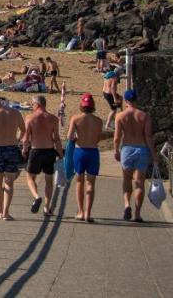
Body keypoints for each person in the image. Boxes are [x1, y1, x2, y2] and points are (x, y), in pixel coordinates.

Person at [114, 89, 155, 222]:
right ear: (136, 100)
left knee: (126, 179)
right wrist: (153, 154)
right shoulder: (144, 116)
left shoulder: (120, 116)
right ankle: (137, 213)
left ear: (126, 101)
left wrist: (116, 150)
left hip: (127, 149)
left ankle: (127, 204)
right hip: (142, 149)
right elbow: (148, 137)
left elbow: (117, 137)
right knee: (139, 182)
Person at [22, 95, 63, 216]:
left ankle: (36, 196)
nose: (32, 106)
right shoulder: (54, 119)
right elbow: (57, 139)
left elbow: (26, 139)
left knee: (30, 177)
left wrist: (24, 151)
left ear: (37, 104)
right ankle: (47, 207)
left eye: (32, 104)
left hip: (36, 151)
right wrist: (60, 154)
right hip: (49, 151)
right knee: (49, 180)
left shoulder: (30, 118)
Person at [66, 93, 104, 222]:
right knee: (91, 183)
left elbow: (69, 136)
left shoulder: (75, 119)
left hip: (80, 151)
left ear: (82, 105)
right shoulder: (99, 121)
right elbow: (99, 138)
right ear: (93, 106)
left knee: (79, 181)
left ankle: (80, 212)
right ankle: (88, 213)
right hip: (93, 152)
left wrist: (77, 138)